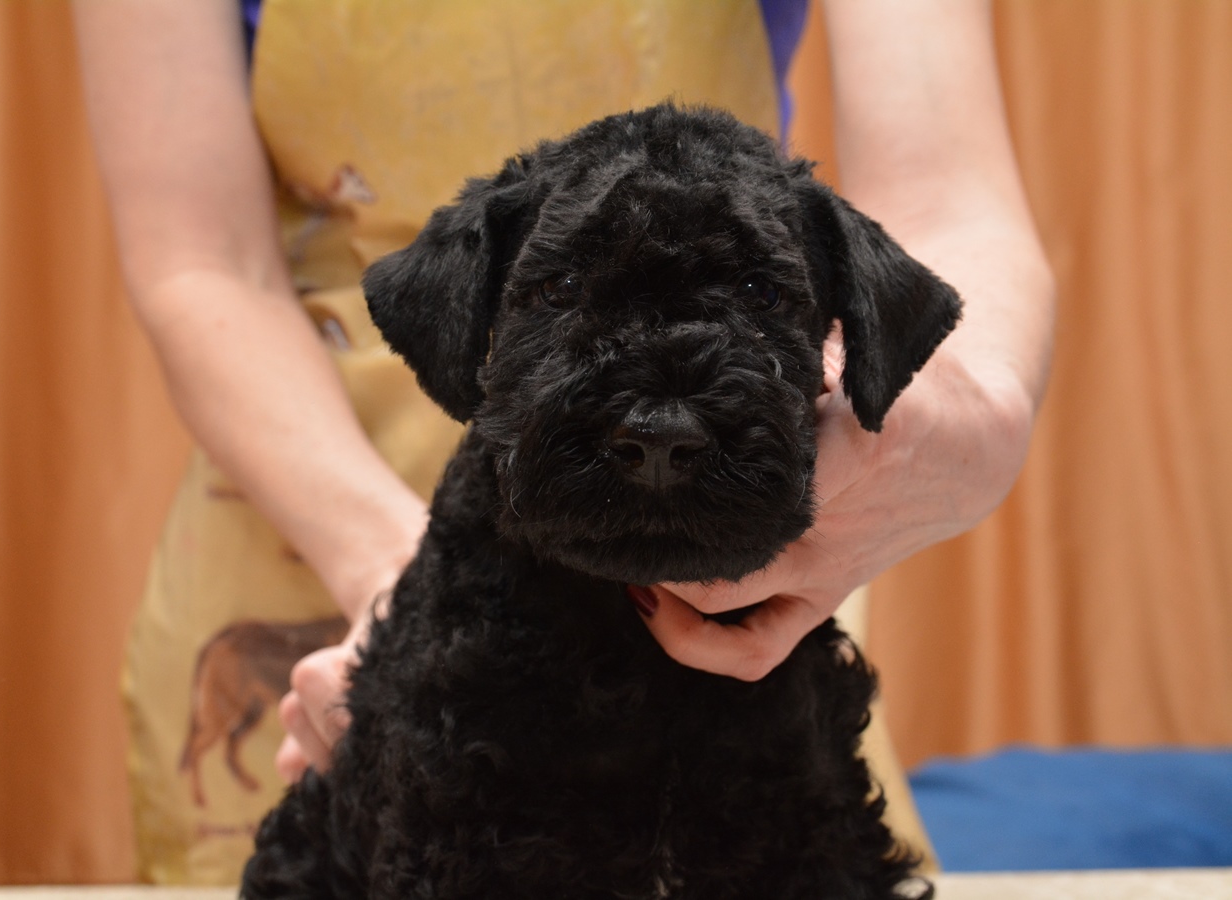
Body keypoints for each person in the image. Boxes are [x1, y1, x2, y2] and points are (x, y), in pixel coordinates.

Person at [74, 0, 1053, 882]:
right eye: (560, 289)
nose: (661, 432)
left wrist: (969, 419)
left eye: (760, 291)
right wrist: (398, 595)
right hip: (308, 488)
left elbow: (947, 202)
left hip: (752, 591)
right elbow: (203, 265)